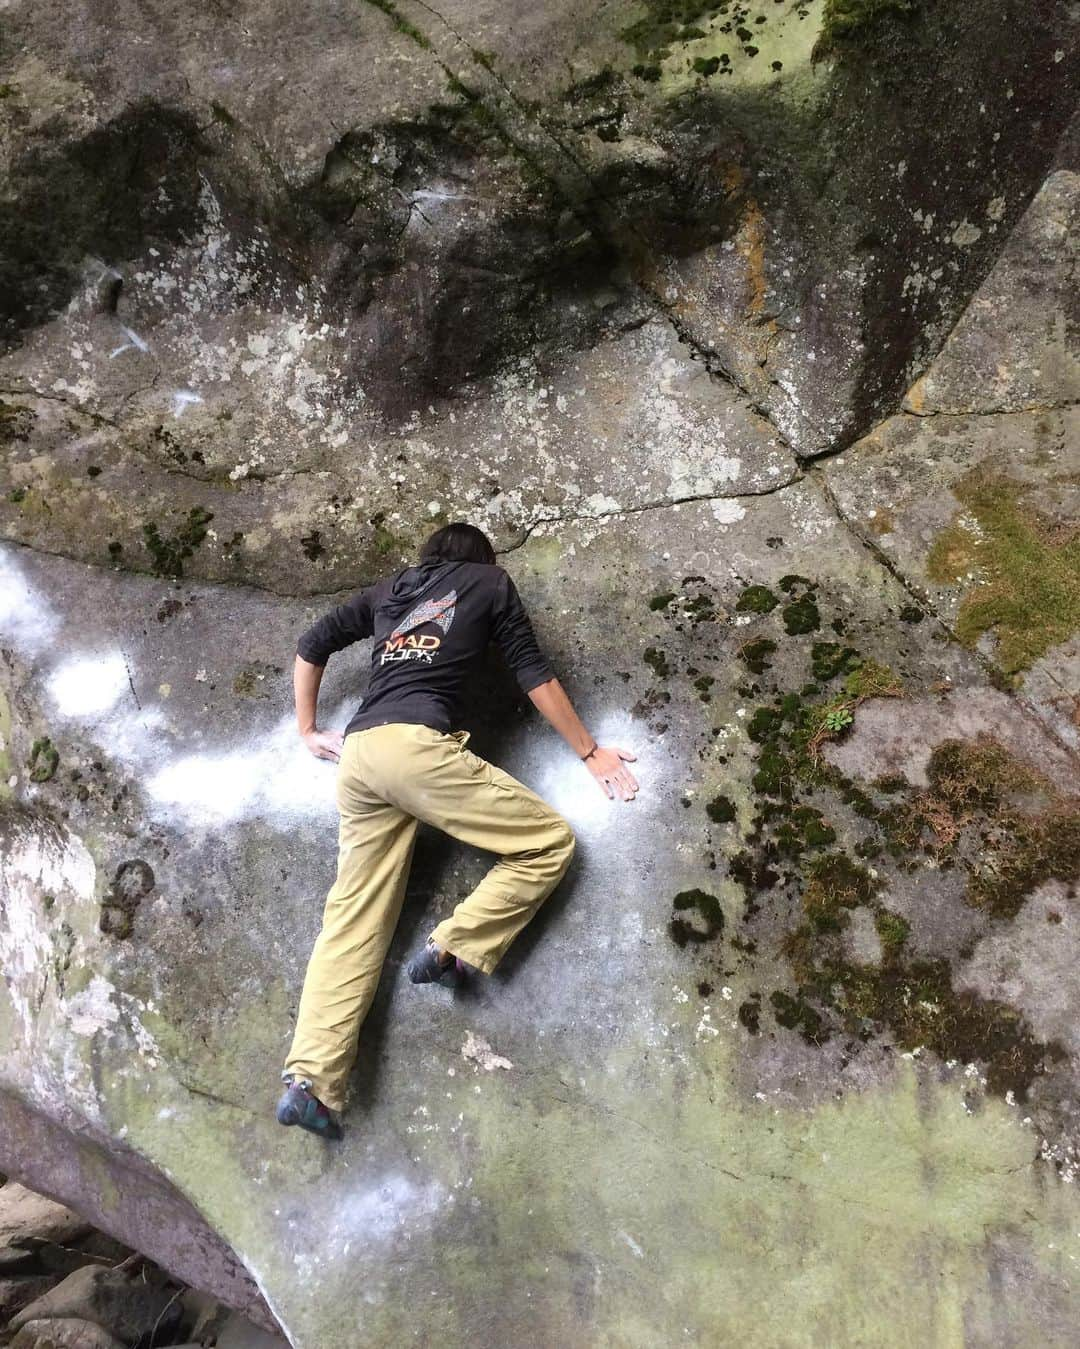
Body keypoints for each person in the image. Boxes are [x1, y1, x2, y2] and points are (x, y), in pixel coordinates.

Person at [276, 522, 638, 1139]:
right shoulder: (489, 582)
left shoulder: (389, 589)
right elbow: (533, 673)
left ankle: (311, 1083)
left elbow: (312, 645)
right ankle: (457, 946)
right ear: (482, 559)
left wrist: (308, 731)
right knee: (545, 843)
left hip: (360, 756)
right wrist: (589, 752)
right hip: (416, 747)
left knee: (352, 920)